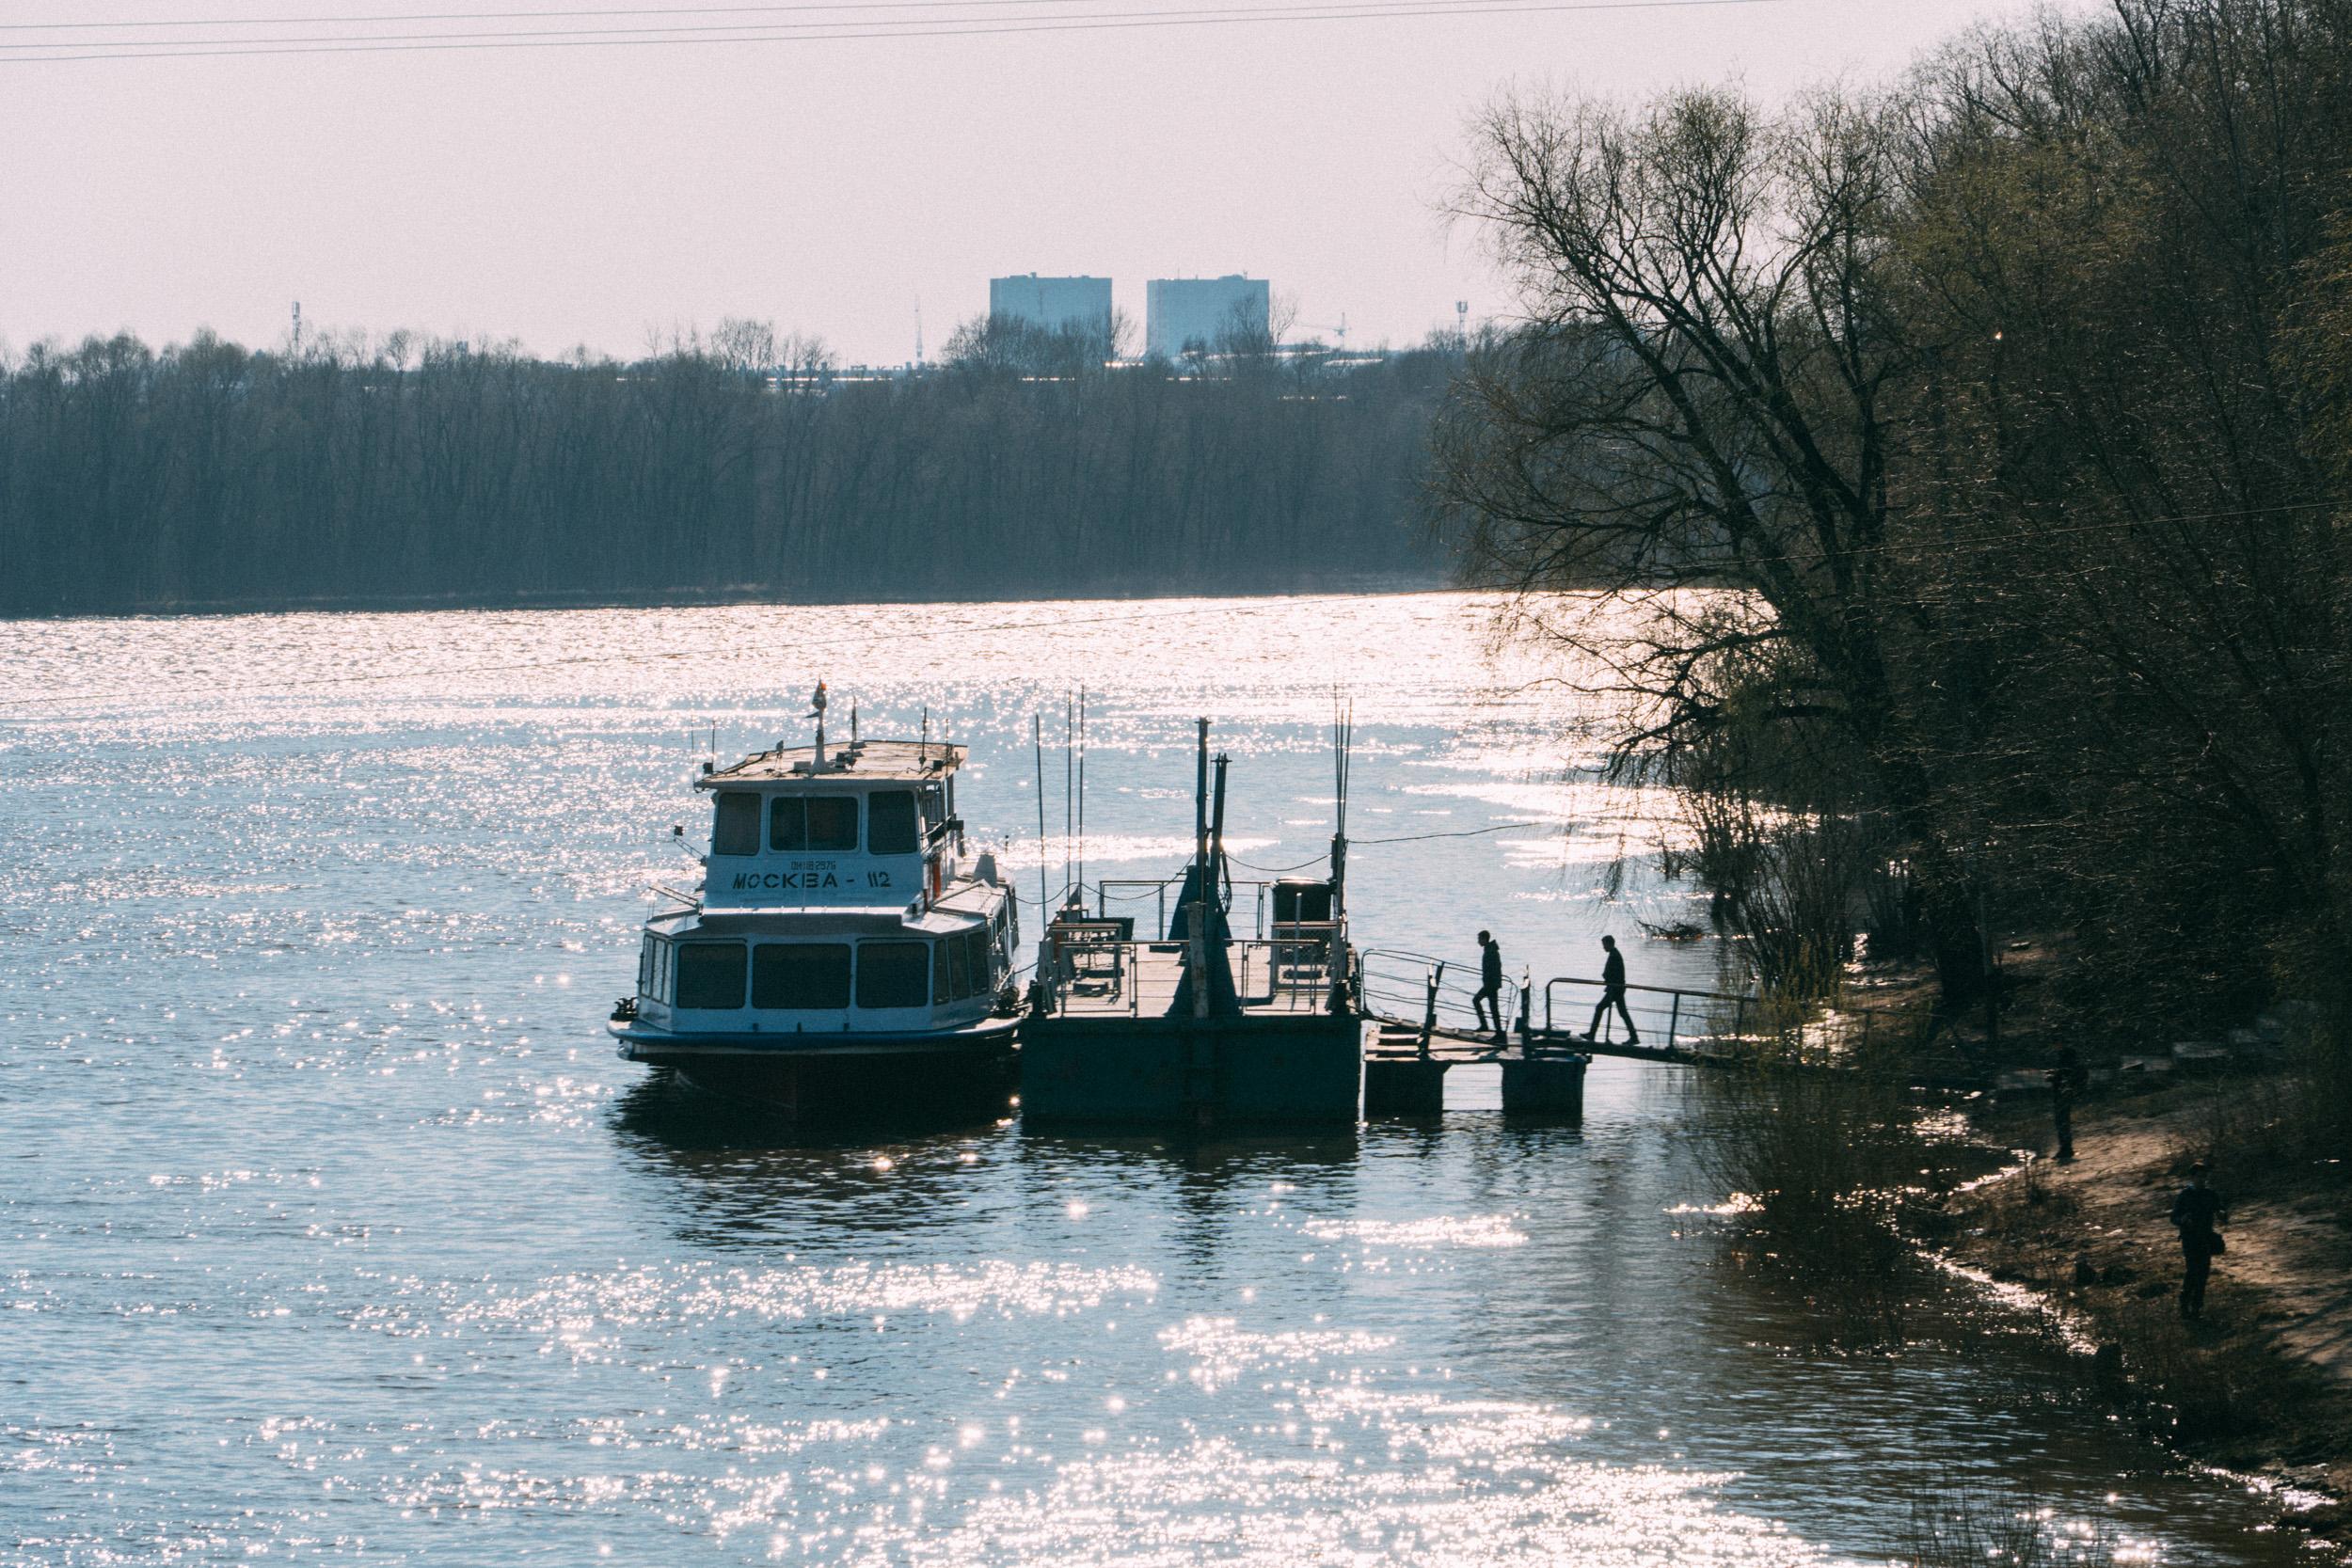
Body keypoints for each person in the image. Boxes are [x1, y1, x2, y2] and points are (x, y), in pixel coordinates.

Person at [2169, 1162, 2227, 1319]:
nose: (2203, 1179)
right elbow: (2174, 1218)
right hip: (2189, 1238)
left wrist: (2222, 1214)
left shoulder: (2210, 1194)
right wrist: (2183, 1219)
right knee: (2193, 1271)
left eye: (2204, 1176)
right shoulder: (2185, 1195)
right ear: (2192, 1177)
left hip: (2205, 1237)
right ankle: (2185, 1304)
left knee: (2203, 1273)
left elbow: (2221, 1212)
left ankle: (2196, 1308)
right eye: (2199, 1176)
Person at [1582, 934, 1639, 1045]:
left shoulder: (1614, 956)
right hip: (1617, 988)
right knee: (1623, 1012)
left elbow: (1611, 973)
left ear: (1609, 944)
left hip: (1615, 989)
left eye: (1604, 945)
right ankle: (1634, 1037)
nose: (1603, 947)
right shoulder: (1615, 954)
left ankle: (1592, 1034)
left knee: (1599, 1008)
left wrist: (1606, 977)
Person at [2046, 1044, 2085, 1163]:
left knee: (2061, 1123)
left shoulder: (2066, 1068)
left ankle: (2066, 1149)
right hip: (2065, 1098)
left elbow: (2061, 1081)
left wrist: (2052, 1076)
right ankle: (2065, 1149)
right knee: (2062, 1123)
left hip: (2062, 1099)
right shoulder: (2074, 1067)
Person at [1472, 929, 1505, 1041]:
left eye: (1479, 939)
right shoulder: (1490, 949)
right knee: (1493, 1008)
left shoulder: (1491, 951)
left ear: (1485, 939)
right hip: (1491, 984)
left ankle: (1493, 1029)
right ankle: (1495, 1030)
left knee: (1478, 1001)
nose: (1478, 942)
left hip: (1490, 984)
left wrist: (1490, 983)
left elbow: (1494, 968)